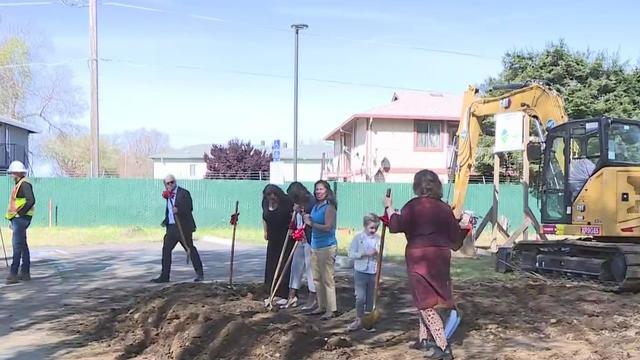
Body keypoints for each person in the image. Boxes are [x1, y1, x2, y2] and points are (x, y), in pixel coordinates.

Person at [385, 169, 458, 360]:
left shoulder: (413, 206)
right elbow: (455, 236)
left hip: (419, 255)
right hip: (441, 254)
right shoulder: (445, 208)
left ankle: (443, 347)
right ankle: (424, 338)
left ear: (417, 186)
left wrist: (389, 208)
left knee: (424, 301)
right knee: (430, 296)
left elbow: (395, 226)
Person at [151, 174, 204, 283]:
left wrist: (178, 209)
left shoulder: (183, 193)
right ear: (165, 184)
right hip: (171, 228)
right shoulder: (168, 196)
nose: (170, 184)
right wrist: (166, 220)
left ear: (175, 182)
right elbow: (170, 211)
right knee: (166, 250)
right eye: (168, 183)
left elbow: (189, 207)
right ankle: (165, 276)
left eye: (172, 182)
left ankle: (200, 274)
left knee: (190, 249)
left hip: (183, 228)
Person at [278, 182, 317, 309]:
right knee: (296, 267)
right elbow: (297, 220)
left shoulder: (311, 201)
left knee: (311, 270)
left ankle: (313, 298)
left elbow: (311, 220)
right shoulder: (298, 203)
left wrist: (300, 211)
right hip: (300, 239)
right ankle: (291, 296)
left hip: (310, 240)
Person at [304, 180, 338, 320]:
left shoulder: (329, 208)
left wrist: (312, 223)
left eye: (321, 189)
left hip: (327, 246)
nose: (318, 192)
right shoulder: (316, 206)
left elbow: (328, 227)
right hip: (315, 245)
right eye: (317, 189)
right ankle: (321, 305)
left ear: (327, 191)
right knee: (317, 278)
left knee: (327, 279)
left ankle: (331, 309)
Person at [347, 213, 381, 332]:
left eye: (376, 228)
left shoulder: (378, 238)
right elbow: (350, 253)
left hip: (373, 271)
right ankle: (359, 319)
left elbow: (384, 252)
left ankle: (368, 321)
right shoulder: (358, 238)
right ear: (365, 226)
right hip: (361, 271)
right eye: (371, 228)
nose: (374, 230)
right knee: (360, 297)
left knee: (371, 298)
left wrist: (378, 252)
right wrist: (364, 254)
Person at [5, 161, 35, 285]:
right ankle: (25, 273)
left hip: (21, 219)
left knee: (17, 246)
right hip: (18, 219)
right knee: (22, 245)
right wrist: (12, 218)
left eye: (12, 172)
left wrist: (19, 214)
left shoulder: (24, 184)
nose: (11, 175)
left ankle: (14, 274)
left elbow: (31, 200)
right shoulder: (19, 184)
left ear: (18, 172)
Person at [262, 184, 294, 300]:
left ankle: (284, 293)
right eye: (269, 195)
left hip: (285, 238)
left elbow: (293, 218)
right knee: (271, 264)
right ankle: (272, 290)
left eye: (274, 194)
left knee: (283, 264)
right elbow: (264, 217)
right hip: (273, 238)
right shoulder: (265, 202)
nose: (272, 197)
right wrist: (265, 231)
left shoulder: (286, 202)